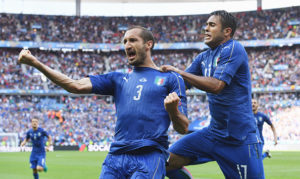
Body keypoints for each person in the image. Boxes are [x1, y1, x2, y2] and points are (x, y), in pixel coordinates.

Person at [18, 26, 189, 179]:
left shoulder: (170, 78)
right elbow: (75, 85)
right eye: (125, 41)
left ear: (148, 44)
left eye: (133, 40)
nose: (127, 45)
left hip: (149, 155)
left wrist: (173, 111)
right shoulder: (118, 78)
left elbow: (183, 128)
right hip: (116, 157)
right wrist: (35, 63)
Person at [161, 10, 265, 179]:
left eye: (212, 25)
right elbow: (180, 84)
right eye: (206, 25)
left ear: (227, 31)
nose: (206, 29)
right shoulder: (203, 57)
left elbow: (216, 86)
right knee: (164, 162)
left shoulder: (233, 48)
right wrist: (154, 80)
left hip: (240, 140)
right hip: (212, 135)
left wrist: (179, 71)